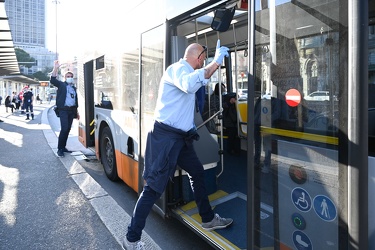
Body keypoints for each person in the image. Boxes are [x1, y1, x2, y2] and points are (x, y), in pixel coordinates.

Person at [122, 40, 233, 250]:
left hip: (181, 139)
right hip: (166, 139)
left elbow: (198, 86)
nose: (204, 62)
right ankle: (131, 238)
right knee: (153, 189)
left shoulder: (188, 71)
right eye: (204, 58)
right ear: (197, 57)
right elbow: (190, 83)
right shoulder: (177, 70)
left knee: (197, 172)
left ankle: (208, 218)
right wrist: (216, 63)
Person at [50, 60, 80, 157]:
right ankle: (60, 149)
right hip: (63, 110)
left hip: (71, 110)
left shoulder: (74, 88)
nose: (70, 78)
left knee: (68, 129)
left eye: (71, 77)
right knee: (64, 129)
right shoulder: (62, 85)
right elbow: (53, 80)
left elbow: (74, 100)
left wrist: (77, 112)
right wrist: (56, 68)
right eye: (68, 77)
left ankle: (63, 147)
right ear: (64, 78)